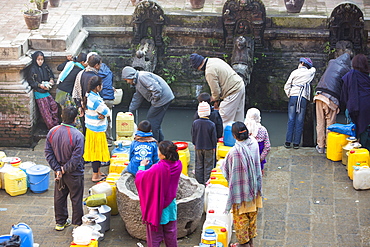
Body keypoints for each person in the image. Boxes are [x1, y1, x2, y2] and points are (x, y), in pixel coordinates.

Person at [220, 122, 262, 247]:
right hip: (254, 190)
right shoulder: (253, 143)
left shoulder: (234, 152)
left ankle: (244, 244)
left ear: (234, 136)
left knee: (241, 222)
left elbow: (226, 170)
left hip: (240, 194)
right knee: (251, 220)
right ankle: (250, 244)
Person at [135, 141, 182, 247]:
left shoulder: (159, 168)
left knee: (155, 236)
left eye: (158, 150)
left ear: (163, 155)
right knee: (171, 232)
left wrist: (142, 166)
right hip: (171, 204)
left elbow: (141, 178)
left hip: (157, 206)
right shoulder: (178, 164)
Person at [44, 106, 85, 231]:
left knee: (59, 197)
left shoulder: (52, 132)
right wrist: (64, 169)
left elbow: (48, 152)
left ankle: (60, 222)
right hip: (74, 173)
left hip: (59, 173)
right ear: (75, 119)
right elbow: (76, 159)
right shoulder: (78, 136)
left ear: (62, 116)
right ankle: (77, 224)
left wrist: (57, 169)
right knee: (76, 198)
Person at [190, 53, 245, 127]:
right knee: (238, 118)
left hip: (232, 91)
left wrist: (215, 100)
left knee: (222, 119)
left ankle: (222, 137)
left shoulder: (209, 71)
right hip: (240, 85)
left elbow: (215, 90)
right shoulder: (214, 60)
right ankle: (241, 136)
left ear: (198, 67)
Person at [121, 66, 175, 142]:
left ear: (130, 76)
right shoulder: (137, 82)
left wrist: (154, 100)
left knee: (152, 121)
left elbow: (157, 89)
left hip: (162, 99)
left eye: (127, 80)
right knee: (156, 122)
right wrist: (130, 111)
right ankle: (160, 142)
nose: (127, 82)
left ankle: (154, 143)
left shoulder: (142, 77)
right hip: (161, 99)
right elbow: (137, 98)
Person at [314, 52, 351, 153]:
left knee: (320, 122)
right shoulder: (346, 70)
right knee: (330, 124)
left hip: (319, 95)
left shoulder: (331, 63)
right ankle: (328, 147)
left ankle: (320, 146)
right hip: (331, 97)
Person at [283, 57, 316, 149]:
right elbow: (314, 69)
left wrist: (289, 94)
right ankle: (296, 143)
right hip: (303, 97)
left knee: (291, 119)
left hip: (293, 96)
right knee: (299, 120)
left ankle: (288, 142)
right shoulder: (309, 73)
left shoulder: (294, 72)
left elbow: (286, 85)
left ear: (301, 63)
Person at [83, 76, 110, 182]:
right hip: (96, 129)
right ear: (97, 87)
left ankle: (98, 172)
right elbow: (107, 112)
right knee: (97, 153)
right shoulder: (95, 101)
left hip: (91, 127)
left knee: (95, 151)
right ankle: (95, 175)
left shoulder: (90, 95)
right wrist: (104, 114)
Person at [341, 54, 370, 148]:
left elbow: (344, 94)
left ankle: (353, 150)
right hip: (367, 106)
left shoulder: (349, 75)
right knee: (364, 128)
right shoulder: (367, 77)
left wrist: (346, 105)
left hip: (353, 106)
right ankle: (364, 149)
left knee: (352, 128)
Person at [27, 51, 59, 129]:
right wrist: (39, 85)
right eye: (38, 59)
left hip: (46, 91)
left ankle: (56, 123)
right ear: (35, 60)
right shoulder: (32, 69)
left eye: (42, 59)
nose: (40, 61)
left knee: (54, 105)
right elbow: (31, 81)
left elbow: (50, 74)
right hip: (38, 93)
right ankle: (51, 127)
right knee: (46, 111)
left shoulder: (45, 67)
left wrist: (51, 80)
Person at [72, 53, 102, 134]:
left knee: (86, 130)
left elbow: (75, 93)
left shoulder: (80, 73)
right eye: (100, 64)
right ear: (96, 65)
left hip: (83, 107)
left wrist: (79, 106)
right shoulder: (95, 78)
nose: (101, 66)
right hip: (93, 110)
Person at [191, 101, 217, 185]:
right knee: (208, 165)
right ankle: (207, 181)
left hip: (198, 146)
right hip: (209, 147)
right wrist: (214, 146)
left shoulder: (195, 123)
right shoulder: (211, 124)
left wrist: (194, 143)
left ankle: (199, 182)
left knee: (199, 164)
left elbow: (193, 134)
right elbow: (213, 138)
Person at [244, 108, 270, 174]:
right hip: (259, 157)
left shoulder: (244, 129)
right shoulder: (263, 130)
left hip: (246, 159)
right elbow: (267, 146)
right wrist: (261, 158)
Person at [98, 62, 115, 146]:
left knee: (99, 119)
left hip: (102, 98)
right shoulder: (108, 71)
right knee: (108, 119)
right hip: (110, 98)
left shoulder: (96, 73)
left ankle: (101, 140)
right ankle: (109, 140)